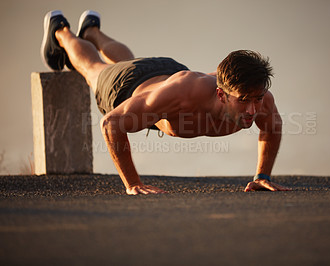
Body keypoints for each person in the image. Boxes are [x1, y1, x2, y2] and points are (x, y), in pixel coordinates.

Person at [41, 10, 291, 195]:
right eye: (244, 101)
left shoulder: (262, 100)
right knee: (93, 69)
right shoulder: (182, 95)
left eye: (257, 99)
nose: (253, 110)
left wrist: (262, 175)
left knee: (128, 62)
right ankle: (59, 30)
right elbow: (110, 123)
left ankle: (91, 32)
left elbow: (272, 128)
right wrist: (132, 184)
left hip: (165, 75)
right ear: (222, 95)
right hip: (129, 88)